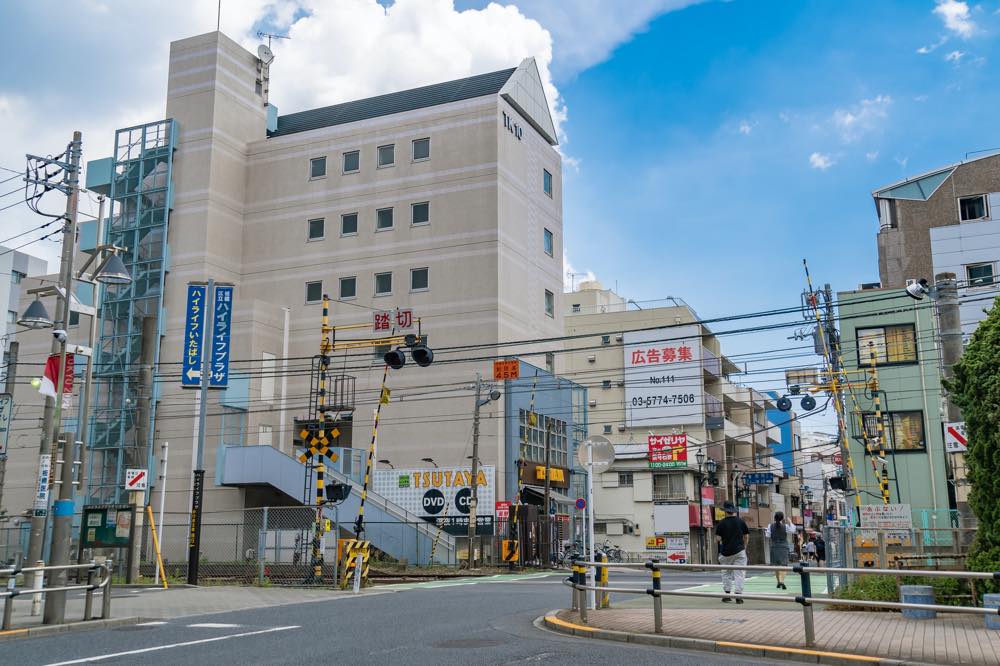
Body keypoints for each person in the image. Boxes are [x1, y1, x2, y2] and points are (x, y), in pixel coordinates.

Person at [715, 501, 749, 603]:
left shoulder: (721, 523)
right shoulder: (740, 521)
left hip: (726, 552)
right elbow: (746, 536)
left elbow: (718, 538)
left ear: (725, 511)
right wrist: (744, 547)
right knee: (739, 573)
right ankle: (738, 596)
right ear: (733, 511)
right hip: (739, 551)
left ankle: (727, 595)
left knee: (726, 573)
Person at [764, 511, 796, 589]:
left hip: (774, 546)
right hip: (783, 547)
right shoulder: (785, 526)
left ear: (774, 517)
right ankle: (782, 581)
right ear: (783, 518)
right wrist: (790, 522)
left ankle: (778, 582)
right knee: (784, 565)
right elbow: (793, 530)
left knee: (776, 565)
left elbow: (767, 535)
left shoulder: (770, 526)